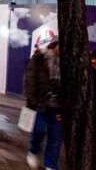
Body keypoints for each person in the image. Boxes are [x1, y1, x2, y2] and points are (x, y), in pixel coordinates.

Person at [23, 41, 62, 170]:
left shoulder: (70, 62)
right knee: (39, 130)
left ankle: (50, 164)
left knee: (55, 136)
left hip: (59, 106)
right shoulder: (40, 57)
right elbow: (30, 77)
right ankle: (33, 151)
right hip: (41, 102)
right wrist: (31, 98)